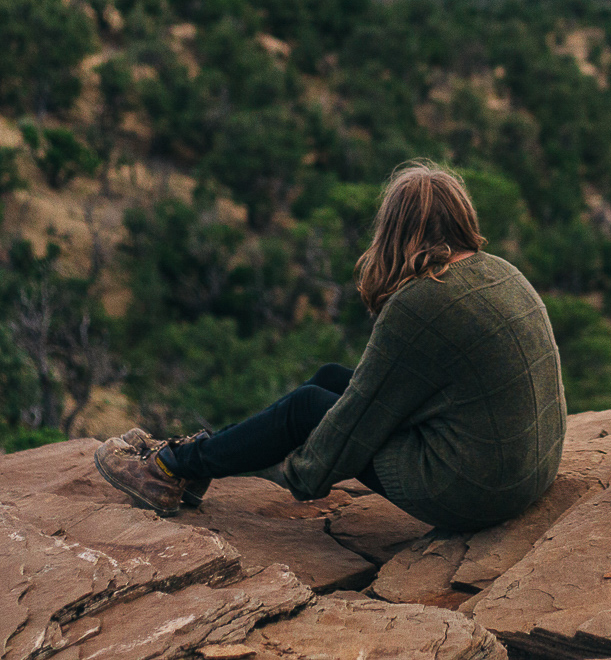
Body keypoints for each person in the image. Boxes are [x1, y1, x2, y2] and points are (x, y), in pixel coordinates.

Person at [95, 160, 566, 531]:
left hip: (477, 492)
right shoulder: (500, 270)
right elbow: (374, 394)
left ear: (396, 229)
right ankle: (200, 459)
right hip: (530, 470)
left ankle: (170, 469)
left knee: (306, 407)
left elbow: (358, 418)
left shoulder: (422, 302)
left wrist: (304, 471)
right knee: (330, 380)